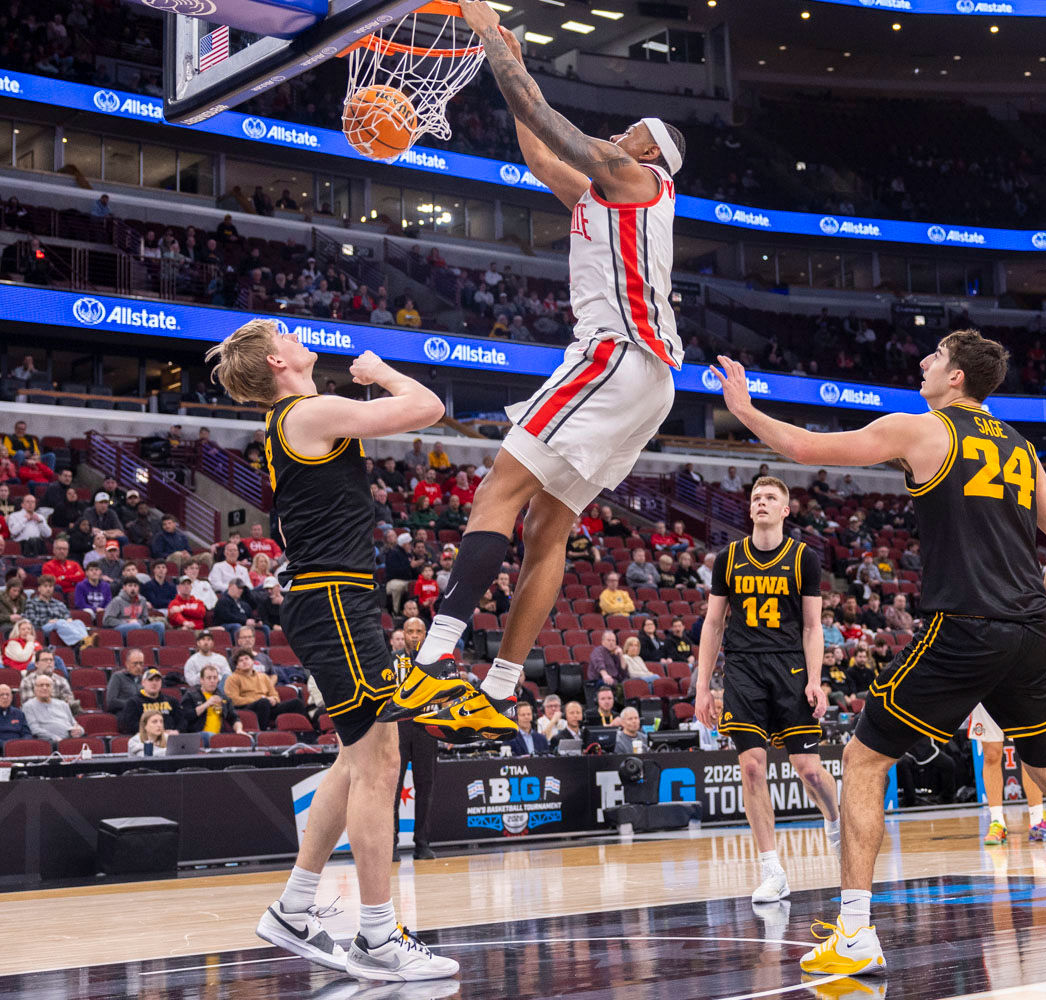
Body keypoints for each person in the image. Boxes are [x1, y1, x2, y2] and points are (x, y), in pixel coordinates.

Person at [712, 332, 1046, 976]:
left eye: (934, 357)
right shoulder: (1019, 447)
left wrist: (745, 409)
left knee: (862, 759)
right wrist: (1037, 617)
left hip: (966, 626)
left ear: (956, 379)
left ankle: (855, 932)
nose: (922, 362)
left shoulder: (923, 432)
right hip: (1026, 633)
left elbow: (804, 447)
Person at [392, 5, 687, 744]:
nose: (620, 135)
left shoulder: (635, 176)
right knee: (548, 528)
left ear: (651, 151)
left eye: (632, 131)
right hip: (647, 380)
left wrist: (494, 38)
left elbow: (545, 116)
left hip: (614, 355)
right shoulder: (605, 199)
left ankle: (432, 657)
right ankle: (497, 686)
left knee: (499, 490)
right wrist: (510, 60)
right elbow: (538, 154)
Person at [206, 318, 458, 980]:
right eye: (283, 332)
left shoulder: (298, 418)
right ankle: (377, 935)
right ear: (278, 362)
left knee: (354, 761)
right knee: (381, 761)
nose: (295, 331)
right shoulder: (306, 413)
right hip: (335, 602)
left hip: (331, 601)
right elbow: (428, 408)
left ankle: (292, 909)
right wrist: (382, 376)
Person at [693, 476, 840, 903]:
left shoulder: (804, 558)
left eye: (770, 497)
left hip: (791, 667)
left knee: (809, 769)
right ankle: (772, 871)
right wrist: (703, 687)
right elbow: (714, 623)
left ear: (785, 510)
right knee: (752, 768)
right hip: (742, 669)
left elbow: (813, 627)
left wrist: (815, 680)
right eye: (756, 497)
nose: (761, 502)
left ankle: (834, 819)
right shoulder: (728, 558)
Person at [969, 706, 1046, 846]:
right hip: (986, 689)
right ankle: (997, 823)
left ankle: (1037, 822)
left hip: (1017, 687)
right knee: (991, 755)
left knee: (1029, 750)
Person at [390, 616, 440, 860]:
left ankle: (422, 843)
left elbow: (447, 693)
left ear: (425, 634)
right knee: (393, 788)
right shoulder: (392, 661)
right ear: (403, 634)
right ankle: (391, 845)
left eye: (419, 631)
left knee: (425, 787)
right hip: (399, 727)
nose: (414, 635)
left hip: (427, 727)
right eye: (410, 631)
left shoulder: (436, 661)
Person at [180, 664, 244, 737]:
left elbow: (234, 718)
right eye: (209, 678)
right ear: (201, 680)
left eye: (215, 678)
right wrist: (207, 704)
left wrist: (239, 730)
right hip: (197, 736)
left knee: (248, 739)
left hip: (218, 736)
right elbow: (185, 717)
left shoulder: (223, 698)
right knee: (208, 735)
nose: (212, 681)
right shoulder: (191, 695)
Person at [117, 668, 182, 736]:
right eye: (150, 680)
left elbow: (182, 721)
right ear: (143, 683)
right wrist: (151, 731)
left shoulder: (172, 701)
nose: (154, 683)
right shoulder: (133, 702)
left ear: (161, 683)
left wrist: (177, 731)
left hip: (169, 739)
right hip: (145, 740)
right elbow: (128, 725)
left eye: (157, 680)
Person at [22, 673, 82, 742]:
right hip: (50, 742)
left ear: (52, 688)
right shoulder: (28, 706)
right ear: (35, 688)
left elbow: (74, 723)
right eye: (41, 685)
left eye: (48, 685)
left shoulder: (63, 704)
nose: (44, 688)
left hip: (71, 739)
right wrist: (55, 738)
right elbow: (34, 729)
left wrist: (80, 730)